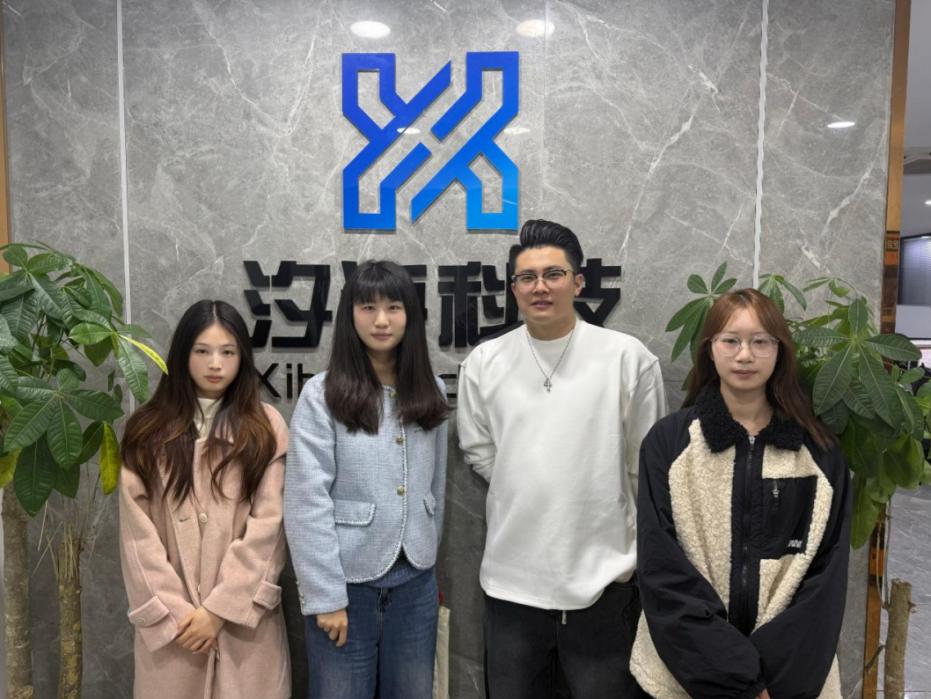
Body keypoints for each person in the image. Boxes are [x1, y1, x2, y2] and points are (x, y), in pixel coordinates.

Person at [457, 219, 667, 698]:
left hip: (605, 586)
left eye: (554, 274)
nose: (540, 287)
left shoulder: (627, 359)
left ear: (578, 282)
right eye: (527, 277)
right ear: (513, 288)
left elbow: (644, 465)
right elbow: (479, 450)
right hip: (511, 587)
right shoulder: (485, 363)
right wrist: (526, 480)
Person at [631, 288, 851, 698]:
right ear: (709, 349)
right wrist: (737, 679)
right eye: (730, 340)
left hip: (790, 682)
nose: (745, 355)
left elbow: (825, 581)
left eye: (760, 341)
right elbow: (662, 571)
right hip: (683, 676)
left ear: (780, 350)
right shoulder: (668, 443)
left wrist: (770, 684)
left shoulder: (819, 453)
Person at [285, 260, 448, 699]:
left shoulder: (431, 388)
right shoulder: (322, 394)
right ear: (349, 315)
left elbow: (436, 486)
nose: (381, 320)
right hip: (346, 588)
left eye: (394, 307)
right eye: (368, 307)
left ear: (410, 315)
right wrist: (325, 597)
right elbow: (305, 500)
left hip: (415, 586)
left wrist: (428, 553)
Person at [119, 300, 290, 699]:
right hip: (174, 636)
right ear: (183, 354)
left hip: (245, 630)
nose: (216, 364)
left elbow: (269, 528)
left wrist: (218, 610)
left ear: (242, 358)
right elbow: (137, 539)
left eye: (228, 352)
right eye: (202, 351)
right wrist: (178, 614)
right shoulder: (146, 431)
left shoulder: (265, 427)